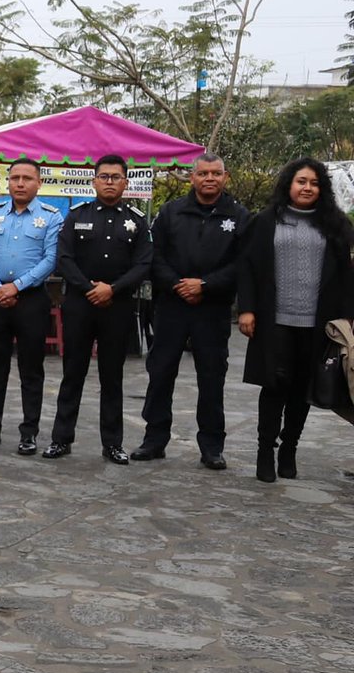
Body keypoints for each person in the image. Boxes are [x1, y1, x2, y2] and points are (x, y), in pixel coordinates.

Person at [236, 157, 354, 482]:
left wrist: (348, 319)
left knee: (303, 389)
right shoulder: (266, 221)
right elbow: (247, 267)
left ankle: (289, 450)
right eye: (301, 181)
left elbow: (346, 277)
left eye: (314, 183)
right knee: (273, 386)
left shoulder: (336, 226)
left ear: (322, 189)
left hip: (318, 324)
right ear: (289, 184)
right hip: (275, 320)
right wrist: (246, 309)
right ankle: (264, 453)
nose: (307, 188)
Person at [132, 153, 250, 469]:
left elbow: (243, 264)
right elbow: (153, 256)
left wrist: (206, 285)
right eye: (203, 173)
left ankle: (212, 446)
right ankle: (154, 440)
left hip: (212, 310)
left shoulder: (239, 216)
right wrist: (178, 285)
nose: (209, 179)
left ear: (226, 178)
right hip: (171, 307)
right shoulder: (170, 212)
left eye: (216, 173)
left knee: (211, 378)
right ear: (192, 177)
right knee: (160, 374)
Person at [43, 155, 151, 463]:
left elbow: (143, 263)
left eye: (116, 177)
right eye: (104, 176)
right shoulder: (76, 216)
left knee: (112, 377)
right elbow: (64, 258)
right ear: (94, 181)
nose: (109, 182)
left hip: (117, 307)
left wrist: (112, 289)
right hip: (80, 304)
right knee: (72, 374)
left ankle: (112, 443)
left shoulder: (136, 220)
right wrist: (90, 289)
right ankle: (61, 439)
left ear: (125, 182)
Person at [0, 160, 64, 456]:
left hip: (31, 299)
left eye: (27, 178)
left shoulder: (51, 217)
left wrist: (16, 286)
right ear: (8, 182)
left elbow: (51, 259)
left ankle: (29, 431)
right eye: (15, 178)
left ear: (38, 183)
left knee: (31, 367)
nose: (20, 183)